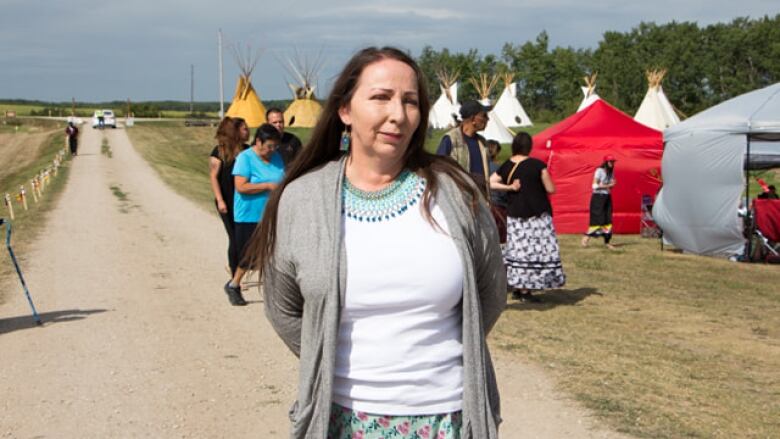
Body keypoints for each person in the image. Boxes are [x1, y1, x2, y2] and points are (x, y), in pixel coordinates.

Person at [247, 47, 506, 438]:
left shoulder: (456, 193)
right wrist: (334, 360)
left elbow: (490, 292)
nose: (398, 115)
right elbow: (283, 307)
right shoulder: (303, 199)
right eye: (381, 97)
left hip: (448, 419)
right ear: (345, 110)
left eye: (410, 101)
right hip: (342, 419)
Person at [490, 132, 565, 302]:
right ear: (529, 147)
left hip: (515, 214)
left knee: (518, 252)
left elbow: (490, 182)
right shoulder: (538, 165)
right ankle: (526, 290)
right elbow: (551, 188)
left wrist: (510, 188)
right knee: (534, 252)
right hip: (536, 215)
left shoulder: (506, 165)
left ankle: (518, 287)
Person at [223, 123, 284, 306]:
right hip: (249, 215)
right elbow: (241, 187)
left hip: (271, 214)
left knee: (273, 254)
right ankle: (234, 285)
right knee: (248, 256)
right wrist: (266, 186)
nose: (272, 150)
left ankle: (275, 292)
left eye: (275, 146)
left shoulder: (277, 158)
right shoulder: (245, 158)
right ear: (258, 141)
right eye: (269, 146)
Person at [209, 117, 250, 290]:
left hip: (244, 201)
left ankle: (238, 272)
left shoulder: (247, 150)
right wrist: (220, 200)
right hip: (226, 200)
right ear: (235, 131)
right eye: (244, 129)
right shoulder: (219, 151)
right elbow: (213, 177)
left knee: (245, 239)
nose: (247, 132)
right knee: (234, 239)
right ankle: (235, 277)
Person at [435, 100, 493, 199]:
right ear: (473, 118)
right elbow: (438, 170)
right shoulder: (451, 139)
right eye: (484, 115)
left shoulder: (482, 143)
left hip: (481, 201)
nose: (488, 119)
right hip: (459, 200)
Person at [582, 155, 617, 249]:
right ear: (606, 162)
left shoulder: (611, 172)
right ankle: (586, 238)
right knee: (597, 220)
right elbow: (594, 186)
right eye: (610, 162)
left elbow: (610, 185)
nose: (612, 163)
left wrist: (611, 185)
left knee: (608, 219)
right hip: (598, 198)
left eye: (613, 162)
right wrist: (607, 185)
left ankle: (607, 242)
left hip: (607, 197)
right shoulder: (599, 171)